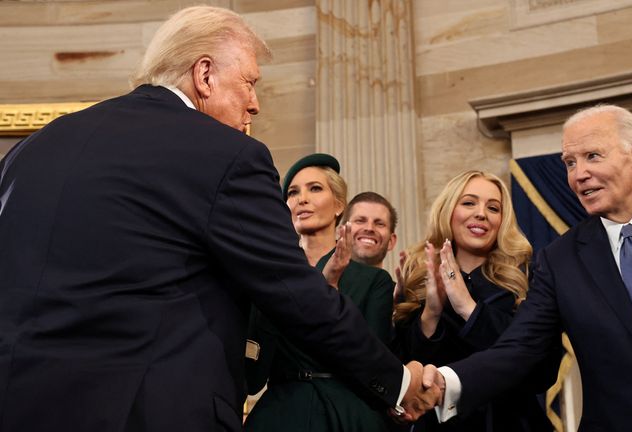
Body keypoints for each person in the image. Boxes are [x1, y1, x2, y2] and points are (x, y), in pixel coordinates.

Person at [0, 6, 437, 431]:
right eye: (249, 82)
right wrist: (400, 385)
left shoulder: (33, 147)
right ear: (204, 74)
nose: (255, 104)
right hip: (146, 412)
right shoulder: (226, 155)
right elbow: (295, 293)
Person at [422, 104, 632, 432]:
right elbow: (519, 349)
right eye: (569, 163)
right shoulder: (558, 260)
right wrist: (444, 382)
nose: (579, 175)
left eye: (592, 156)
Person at [392, 170, 558, 432]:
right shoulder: (417, 279)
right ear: (448, 210)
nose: (481, 213)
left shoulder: (529, 277)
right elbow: (404, 374)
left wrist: (469, 308)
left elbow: (542, 372)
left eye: (493, 207)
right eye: (469, 202)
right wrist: (431, 314)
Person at [244, 154, 395, 431]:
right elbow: (252, 378)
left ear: (339, 205)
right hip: (280, 413)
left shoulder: (374, 281)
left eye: (315, 188)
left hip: (349, 415)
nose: (302, 198)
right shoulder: (268, 279)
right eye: (293, 192)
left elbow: (373, 366)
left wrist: (329, 291)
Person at [341, 191, 398, 269]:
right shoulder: (322, 280)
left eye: (379, 224)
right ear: (342, 232)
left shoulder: (402, 282)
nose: (369, 228)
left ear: (391, 241)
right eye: (360, 221)